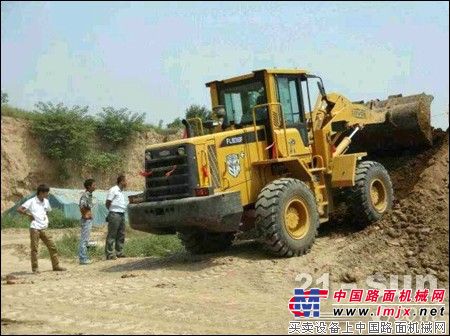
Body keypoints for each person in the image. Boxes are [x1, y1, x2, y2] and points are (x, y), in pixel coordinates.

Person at [17, 184, 66, 274]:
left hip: (44, 228)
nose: (47, 194)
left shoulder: (46, 201)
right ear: (41, 192)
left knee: (52, 246)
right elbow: (19, 209)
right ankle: (35, 269)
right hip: (34, 228)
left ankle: (56, 266)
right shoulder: (31, 201)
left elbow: (47, 211)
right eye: (46, 193)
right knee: (34, 249)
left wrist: (45, 219)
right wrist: (29, 215)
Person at [105, 174, 127, 260]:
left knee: (121, 234)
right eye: (125, 181)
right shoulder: (113, 190)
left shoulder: (121, 191)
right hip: (115, 214)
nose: (126, 183)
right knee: (112, 234)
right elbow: (107, 202)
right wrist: (111, 211)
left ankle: (119, 252)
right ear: (121, 181)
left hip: (121, 214)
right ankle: (109, 254)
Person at [79, 178, 96, 265]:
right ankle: (83, 258)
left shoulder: (89, 195)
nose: (95, 187)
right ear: (89, 186)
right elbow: (81, 206)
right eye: (93, 185)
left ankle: (84, 257)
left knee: (86, 239)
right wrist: (85, 215)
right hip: (86, 220)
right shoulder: (85, 195)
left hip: (88, 220)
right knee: (84, 239)